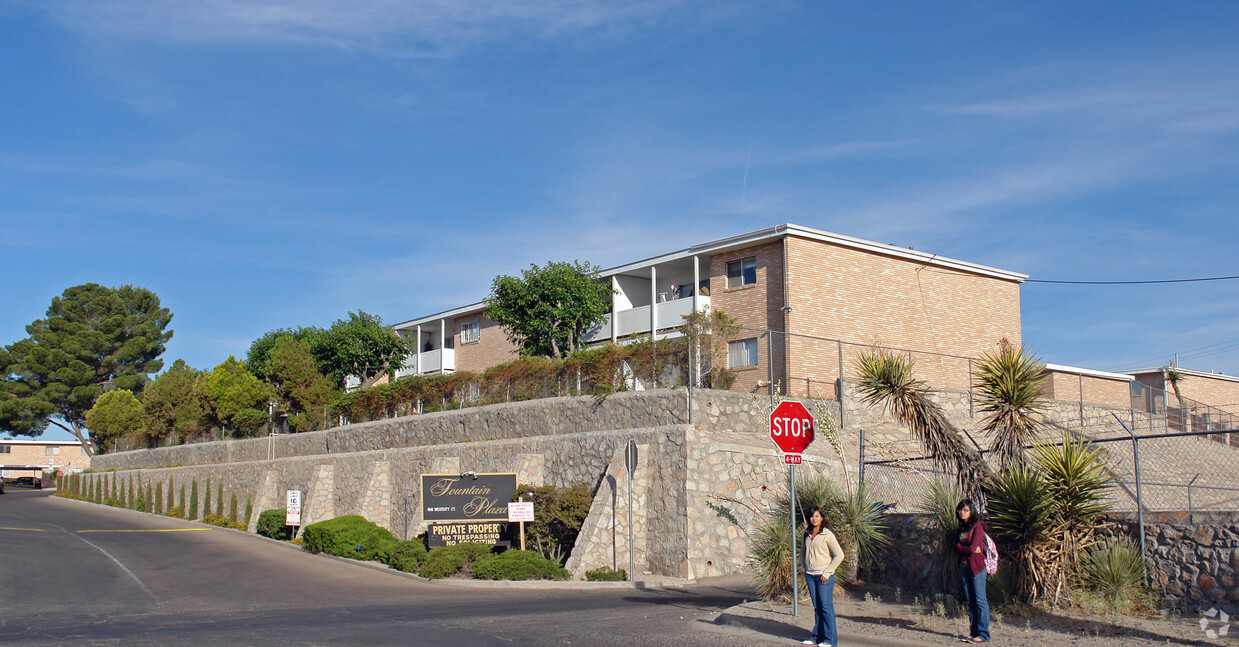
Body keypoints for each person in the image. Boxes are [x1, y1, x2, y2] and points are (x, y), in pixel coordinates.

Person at [801, 505, 845, 647]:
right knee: (817, 608)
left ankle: (830, 640)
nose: (814, 519)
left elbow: (839, 555)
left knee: (826, 607)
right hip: (810, 575)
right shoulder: (806, 533)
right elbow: (802, 551)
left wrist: (827, 572)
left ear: (822, 518)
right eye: (812, 516)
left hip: (823, 576)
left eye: (817, 516)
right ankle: (817, 637)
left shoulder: (827, 534)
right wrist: (803, 566)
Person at [954, 499, 991, 643]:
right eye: (960, 510)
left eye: (965, 510)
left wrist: (964, 549)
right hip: (963, 566)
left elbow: (973, 548)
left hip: (976, 567)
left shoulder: (978, 527)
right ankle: (973, 631)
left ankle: (983, 634)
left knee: (980, 599)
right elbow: (957, 548)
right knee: (970, 600)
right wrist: (966, 549)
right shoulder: (961, 528)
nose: (962, 512)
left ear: (972, 511)